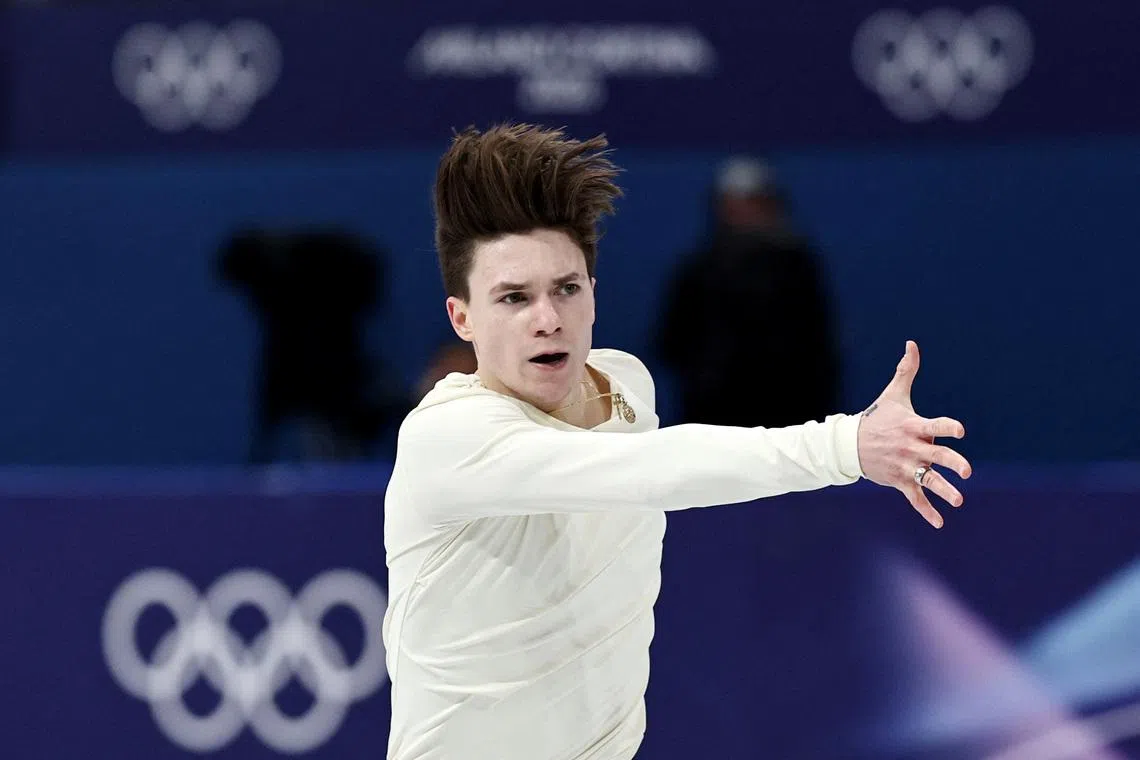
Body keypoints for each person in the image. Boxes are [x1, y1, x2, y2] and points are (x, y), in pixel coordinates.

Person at [382, 123, 971, 760]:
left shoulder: (628, 386)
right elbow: (649, 469)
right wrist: (844, 445)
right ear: (461, 317)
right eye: (514, 298)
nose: (546, 318)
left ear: (593, 295)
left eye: (566, 289)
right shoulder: (445, 438)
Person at [656, 156, 842, 428]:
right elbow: (671, 343)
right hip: (716, 421)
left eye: (753, 202)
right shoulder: (698, 270)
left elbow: (819, 347)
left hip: (789, 419)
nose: (743, 212)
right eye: (733, 204)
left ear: (771, 204)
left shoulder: (797, 269)